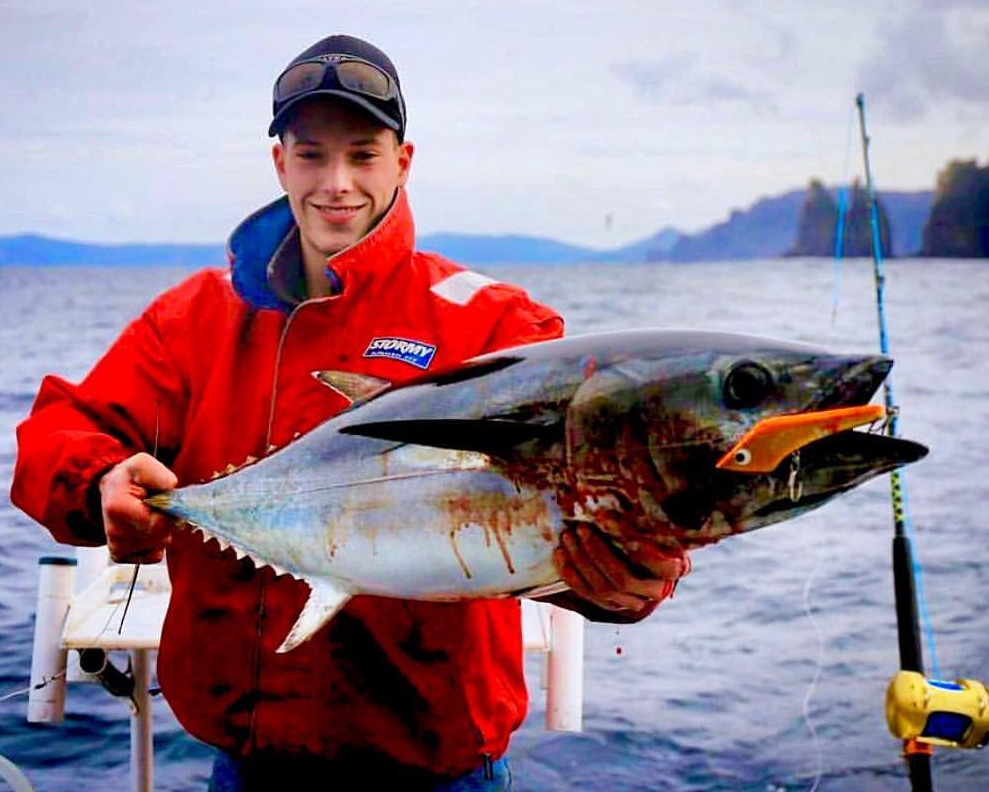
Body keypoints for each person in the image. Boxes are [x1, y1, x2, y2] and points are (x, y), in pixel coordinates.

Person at [11, 34, 689, 790]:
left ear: (403, 161)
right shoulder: (195, 318)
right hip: (249, 766)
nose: (337, 184)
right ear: (280, 164)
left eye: (363, 155)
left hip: (437, 766)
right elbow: (58, 433)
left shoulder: (494, 324)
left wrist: (629, 577)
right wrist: (98, 480)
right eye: (311, 156)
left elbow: (559, 510)